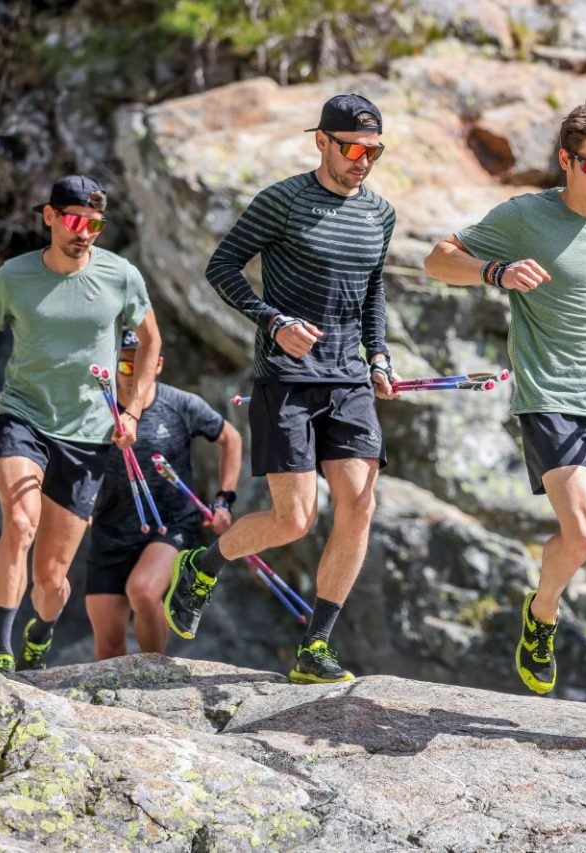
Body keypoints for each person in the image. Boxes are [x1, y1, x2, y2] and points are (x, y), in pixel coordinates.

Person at [422, 101, 586, 754]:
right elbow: (436, 258)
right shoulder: (524, 217)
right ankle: (542, 611)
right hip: (551, 399)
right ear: (567, 160)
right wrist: (496, 271)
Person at [163, 93, 399, 685]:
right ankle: (202, 564)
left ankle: (315, 646)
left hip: (349, 380)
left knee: (359, 503)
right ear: (321, 141)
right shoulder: (283, 200)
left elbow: (373, 293)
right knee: (294, 519)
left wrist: (379, 356)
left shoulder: (380, 213)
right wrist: (274, 321)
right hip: (286, 379)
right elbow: (222, 268)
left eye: (374, 150)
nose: (363, 161)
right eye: (352, 148)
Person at [0, 174, 160, 673]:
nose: (85, 233)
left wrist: (132, 410)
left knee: (51, 581)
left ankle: (40, 631)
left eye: (95, 224)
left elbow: (150, 340)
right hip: (22, 416)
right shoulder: (14, 276)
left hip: (89, 435)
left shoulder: (122, 276)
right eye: (75, 220)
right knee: (20, 524)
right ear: (49, 217)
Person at [84, 328, 242, 660]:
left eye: (140, 365)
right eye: (124, 365)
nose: (131, 374)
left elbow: (231, 438)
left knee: (142, 592)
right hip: (110, 532)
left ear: (157, 365)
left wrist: (223, 500)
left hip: (171, 525)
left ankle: (156, 674)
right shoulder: (96, 409)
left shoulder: (180, 404)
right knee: (108, 648)